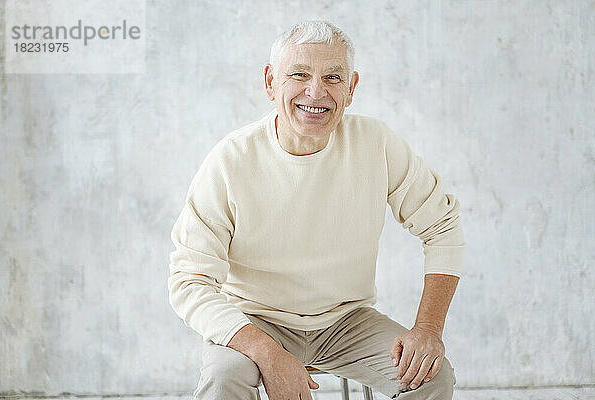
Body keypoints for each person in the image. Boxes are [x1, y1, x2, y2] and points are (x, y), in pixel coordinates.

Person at [168, 20, 465, 400]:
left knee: (431, 377)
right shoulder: (231, 159)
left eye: (333, 77)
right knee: (224, 377)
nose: (316, 91)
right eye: (299, 74)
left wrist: (427, 328)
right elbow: (188, 280)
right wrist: (268, 353)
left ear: (352, 88)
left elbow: (442, 226)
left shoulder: (376, 143)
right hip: (257, 319)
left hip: (346, 321)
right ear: (270, 82)